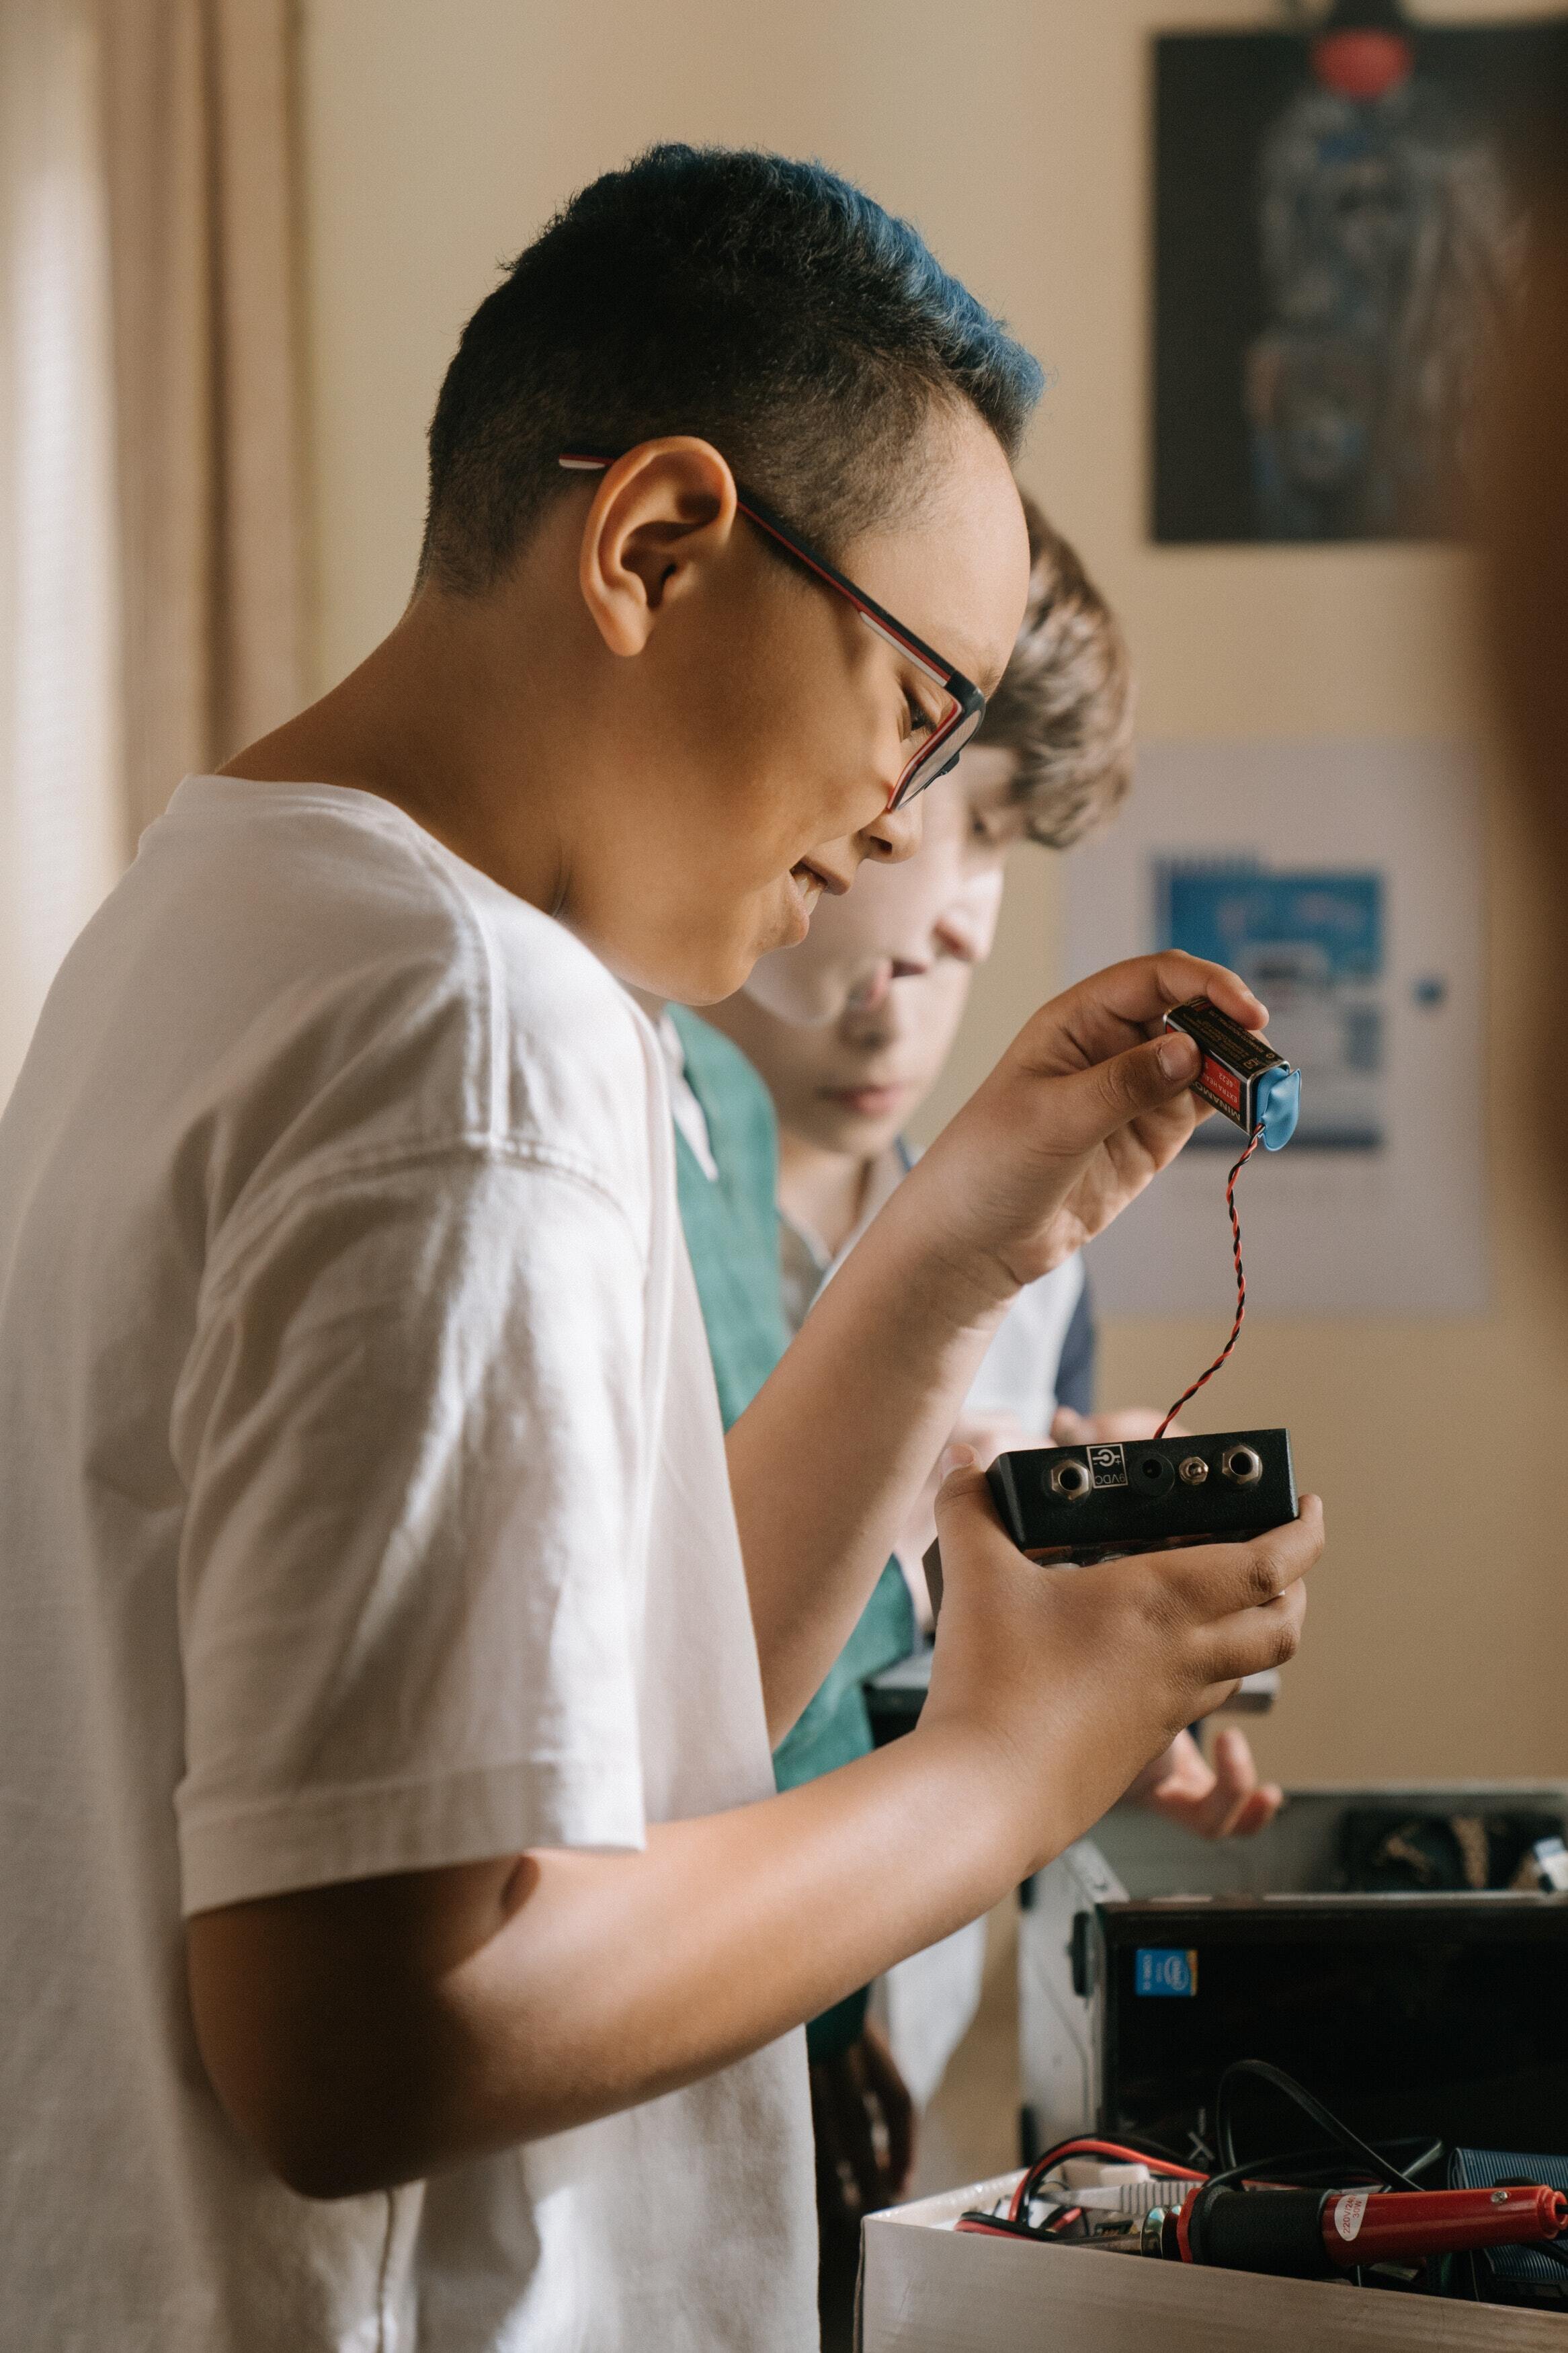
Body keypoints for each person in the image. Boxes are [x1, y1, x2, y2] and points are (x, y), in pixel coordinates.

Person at [0, 145, 1319, 2352]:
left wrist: (945, 1253)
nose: (907, 831)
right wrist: (1007, 1763)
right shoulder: (470, 1029)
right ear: (657, 544)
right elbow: (370, 2039)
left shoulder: (219, 912)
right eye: (918, 705)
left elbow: (574, 1740)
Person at [668, 498, 1278, 2266]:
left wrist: (1086, 1690)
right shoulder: (618, 1164)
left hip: (866, 2107)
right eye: (937, 801)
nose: (945, 920)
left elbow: (955, 1751)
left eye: (1004, 840)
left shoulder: (1039, 1261)